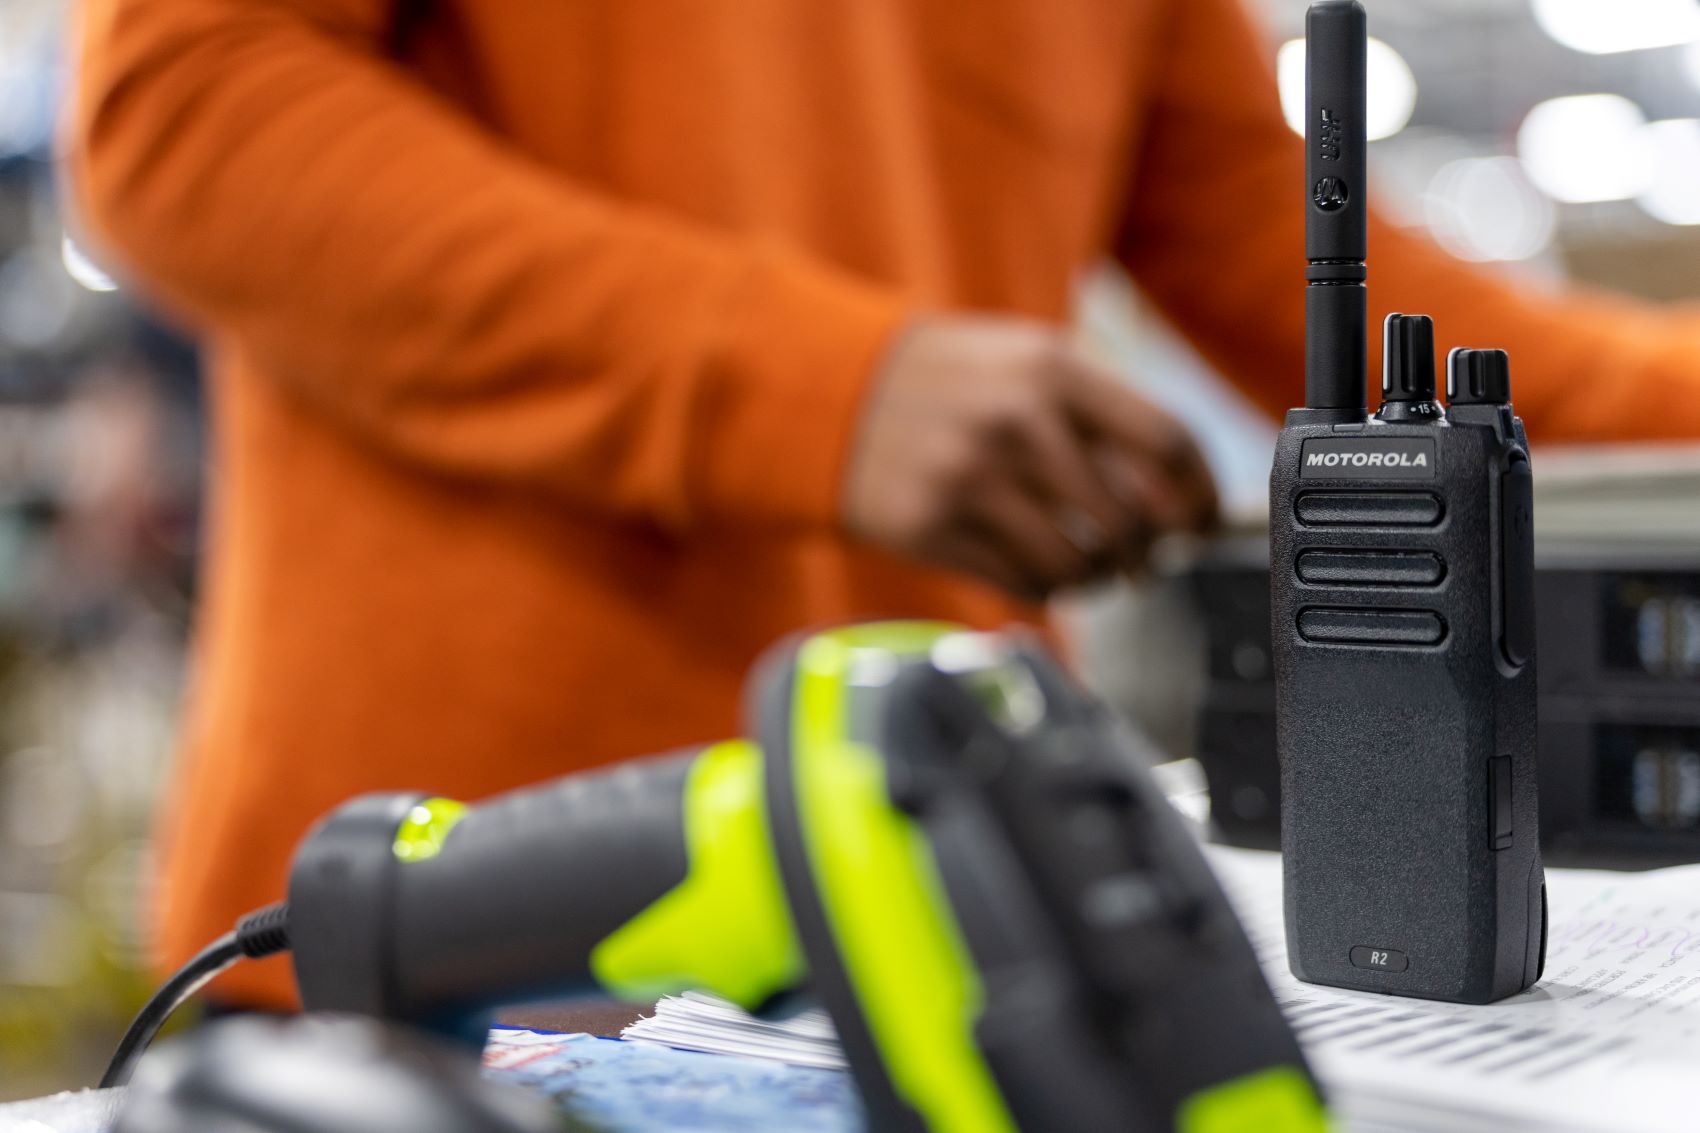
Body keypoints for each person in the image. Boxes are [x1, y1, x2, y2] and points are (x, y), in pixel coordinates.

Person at [66, 0, 1700, 1010]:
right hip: (460, 915)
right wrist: (806, 386)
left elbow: (1288, 245)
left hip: (942, 909)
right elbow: (180, 106)